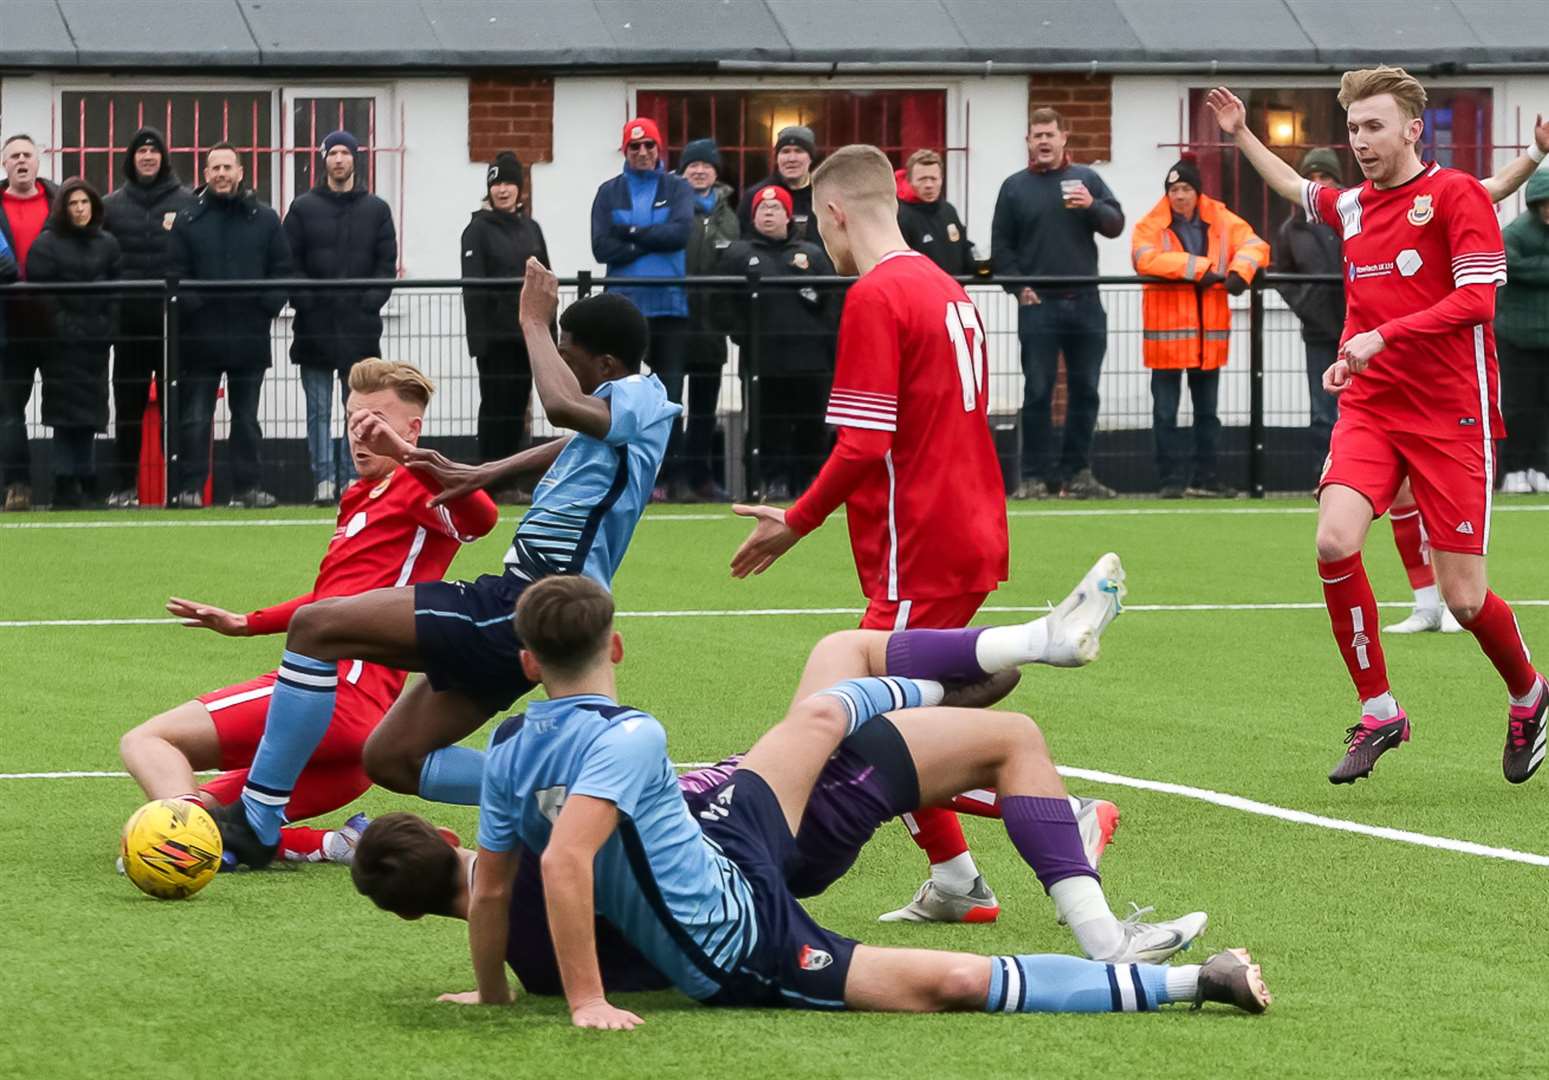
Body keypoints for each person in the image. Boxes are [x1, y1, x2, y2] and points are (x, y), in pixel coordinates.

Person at [419, 573, 1269, 1024]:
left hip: (724, 843)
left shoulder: (510, 749)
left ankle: (1003, 665)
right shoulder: (630, 733)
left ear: (526, 664)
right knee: (948, 981)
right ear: (618, 646)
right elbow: (561, 860)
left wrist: (497, 990)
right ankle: (1189, 980)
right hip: (741, 927)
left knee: (829, 701)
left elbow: (497, 881)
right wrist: (585, 1001)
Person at [208, 261, 680, 868]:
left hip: (526, 601)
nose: (560, 365)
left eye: (570, 355)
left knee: (315, 627)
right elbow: (574, 438)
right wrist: (485, 471)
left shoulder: (635, 395)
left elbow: (563, 409)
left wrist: (534, 323)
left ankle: (257, 820)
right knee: (391, 759)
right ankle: (566, 801)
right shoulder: (636, 404)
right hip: (529, 604)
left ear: (607, 367)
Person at [1207, 67, 1547, 786]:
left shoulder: (1454, 195)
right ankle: (1379, 708)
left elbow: (1478, 302)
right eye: (1353, 128)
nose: (1360, 141)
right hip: (1371, 409)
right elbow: (1293, 189)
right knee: (1332, 540)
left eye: (1373, 127)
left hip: (1451, 415)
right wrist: (1238, 136)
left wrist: (1380, 336)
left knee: (1463, 598)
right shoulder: (1353, 204)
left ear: (1411, 128)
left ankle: (1528, 692)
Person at [731, 145, 1010, 925]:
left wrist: (794, 521)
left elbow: (862, 444)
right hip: (966, 525)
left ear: (833, 214)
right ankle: (956, 878)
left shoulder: (876, 295)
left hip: (919, 542)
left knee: (862, 718)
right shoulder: (942, 281)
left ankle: (1056, 806)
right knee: (892, 715)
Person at [117, 359, 498, 863]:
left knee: (148, 742)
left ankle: (184, 841)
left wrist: (407, 457)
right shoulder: (360, 494)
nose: (362, 435)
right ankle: (342, 843)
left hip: (337, 695)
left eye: (376, 422)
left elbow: (481, 518)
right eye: (353, 420)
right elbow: (331, 603)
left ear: (412, 428)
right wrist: (246, 623)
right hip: (357, 746)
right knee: (205, 817)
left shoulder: (416, 484)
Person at [992, 109, 1124, 500]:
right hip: (1039, 306)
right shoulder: (1013, 188)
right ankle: (1033, 477)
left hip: (1085, 303)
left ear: (1064, 138)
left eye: (1050, 134)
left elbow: (1115, 224)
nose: (1044, 142)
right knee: (1038, 391)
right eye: (1037, 136)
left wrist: (1092, 206)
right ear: (1028, 142)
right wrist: (1018, 287)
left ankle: (1077, 474)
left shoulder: (1087, 180)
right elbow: (1002, 246)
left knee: (1086, 390)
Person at [1131, 156, 1269, 498]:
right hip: (1168, 338)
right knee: (1165, 415)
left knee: (1207, 415)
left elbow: (1254, 244)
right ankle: (1169, 482)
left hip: (1208, 338)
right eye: (1173, 190)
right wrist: (1198, 268)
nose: (1179, 196)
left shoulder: (1220, 217)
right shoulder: (1151, 224)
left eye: (1186, 189)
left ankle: (1204, 478)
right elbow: (1142, 257)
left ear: (1197, 192)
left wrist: (1241, 273)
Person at [167, 142, 292, 509]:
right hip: (200, 339)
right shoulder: (187, 219)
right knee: (195, 419)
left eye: (227, 167)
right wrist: (197, 309)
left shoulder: (266, 219)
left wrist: (263, 309)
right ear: (205, 175)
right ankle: (190, 489)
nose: (221, 174)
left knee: (246, 419)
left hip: (249, 337)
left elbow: (282, 271)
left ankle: (247, 488)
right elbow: (174, 273)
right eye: (214, 168)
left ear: (240, 172)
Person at [284, 130, 397, 506]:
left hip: (360, 332)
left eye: (344, 154)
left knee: (360, 412)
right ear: (323, 160)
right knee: (318, 410)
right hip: (314, 329)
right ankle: (323, 481)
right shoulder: (302, 208)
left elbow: (385, 266)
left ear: (354, 160)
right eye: (332, 153)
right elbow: (289, 263)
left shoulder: (377, 209)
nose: (338, 160)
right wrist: (308, 302)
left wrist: (368, 303)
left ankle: (353, 479)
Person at [590, 118, 695, 499]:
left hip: (669, 306)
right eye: (635, 147)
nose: (643, 152)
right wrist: (652, 239)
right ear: (625, 151)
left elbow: (681, 233)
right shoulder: (608, 192)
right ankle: (617, 476)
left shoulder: (678, 188)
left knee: (669, 395)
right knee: (618, 394)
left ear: (659, 148)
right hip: (623, 310)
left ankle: (669, 479)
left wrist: (631, 235)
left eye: (649, 145)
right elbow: (601, 246)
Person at [716, 183, 837, 499]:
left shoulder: (811, 255)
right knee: (768, 424)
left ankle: (812, 481)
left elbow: (833, 302)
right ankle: (772, 480)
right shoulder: (738, 255)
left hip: (811, 361)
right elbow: (721, 302)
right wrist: (744, 334)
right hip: (763, 360)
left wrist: (825, 338)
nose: (769, 213)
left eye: (776, 208)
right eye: (762, 209)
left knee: (812, 423)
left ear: (789, 217)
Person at [100, 127, 194, 508]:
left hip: (175, 329)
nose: (148, 157)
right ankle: (125, 487)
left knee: (179, 413)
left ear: (164, 158)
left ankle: (179, 488)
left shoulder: (188, 202)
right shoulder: (110, 205)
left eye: (154, 151)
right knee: (127, 410)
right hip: (128, 328)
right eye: (141, 151)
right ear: (131, 158)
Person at [25, 178, 122, 508]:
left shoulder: (108, 243)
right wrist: (65, 327)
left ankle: (86, 480)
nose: (80, 209)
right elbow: (42, 296)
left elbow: (116, 291)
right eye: (73, 204)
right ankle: (64, 484)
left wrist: (104, 327)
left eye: (85, 202)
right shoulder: (46, 245)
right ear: (62, 208)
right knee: (64, 418)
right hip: (60, 347)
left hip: (95, 346)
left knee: (91, 416)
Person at [462, 151, 551, 488]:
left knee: (517, 407)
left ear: (519, 188)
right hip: (494, 339)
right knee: (495, 406)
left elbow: (545, 277)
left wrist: (547, 332)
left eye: (508, 183)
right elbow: (473, 289)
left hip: (526, 336)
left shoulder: (532, 228)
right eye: (496, 183)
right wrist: (478, 341)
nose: (502, 190)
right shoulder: (476, 230)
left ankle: (511, 478)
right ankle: (488, 479)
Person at [675, 137, 739, 501]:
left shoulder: (730, 214)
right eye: (692, 165)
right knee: (667, 408)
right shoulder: (670, 206)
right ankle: (666, 479)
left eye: (706, 165)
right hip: (673, 323)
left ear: (716, 172)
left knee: (703, 409)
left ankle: (700, 479)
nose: (699, 171)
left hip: (712, 328)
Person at [1272, 148, 1344, 455]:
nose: (1318, 183)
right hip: (1317, 329)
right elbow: (1281, 274)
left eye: (1325, 176)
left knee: (1370, 405)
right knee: (1322, 409)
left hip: (1363, 327)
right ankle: (1325, 476)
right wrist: (1305, 304)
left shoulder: (1356, 216)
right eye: (1311, 177)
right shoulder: (1291, 229)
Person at [0, 134, 57, 511]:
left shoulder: (62, 203)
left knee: (70, 405)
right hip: (6, 324)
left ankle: (73, 486)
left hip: (55, 322)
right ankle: (17, 486)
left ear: (38, 162)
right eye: (14, 156)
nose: (21, 161)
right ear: (5, 165)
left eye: (27, 155)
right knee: (8, 410)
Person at [1496, 169, 1549, 494]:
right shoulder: (1515, 232)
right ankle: (1514, 469)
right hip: (1516, 337)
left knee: (1546, 407)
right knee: (1517, 405)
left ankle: (1541, 468)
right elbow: (1507, 262)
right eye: (1544, 204)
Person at [896, 149, 974, 277]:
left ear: (941, 179)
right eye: (922, 179)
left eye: (933, 178)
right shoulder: (901, 216)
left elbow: (964, 253)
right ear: (909, 181)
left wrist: (982, 266)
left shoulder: (949, 211)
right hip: (919, 293)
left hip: (954, 293)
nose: (929, 185)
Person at [738, 124, 819, 241]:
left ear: (810, 158)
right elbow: (742, 244)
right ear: (776, 158)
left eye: (799, 151)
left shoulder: (826, 196)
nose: (791, 159)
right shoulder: (756, 196)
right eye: (785, 151)